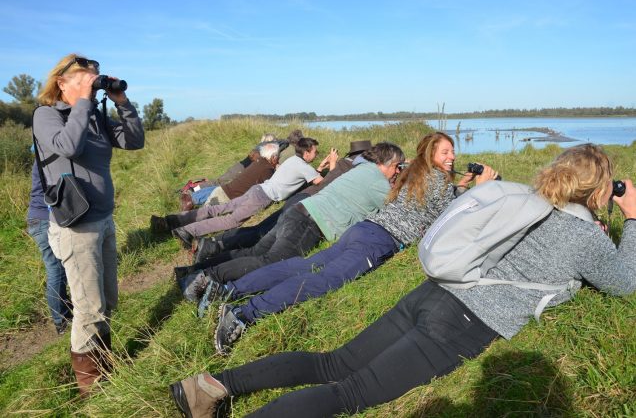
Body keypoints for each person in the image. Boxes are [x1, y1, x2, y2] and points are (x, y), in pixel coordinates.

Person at [170, 144, 635, 417]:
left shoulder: (521, 198)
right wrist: (631, 217)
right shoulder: (582, 237)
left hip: (433, 292)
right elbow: (623, 281)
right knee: (348, 393)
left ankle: (208, 387)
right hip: (465, 323)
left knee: (331, 365)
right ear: (598, 188)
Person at [206, 132, 496, 354]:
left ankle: (231, 291)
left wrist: (462, 183)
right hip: (379, 240)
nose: (452, 156)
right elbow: (455, 214)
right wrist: (481, 189)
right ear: (431, 153)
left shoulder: (416, 174)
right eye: (446, 151)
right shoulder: (437, 182)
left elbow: (439, 202)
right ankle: (244, 315)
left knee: (306, 265)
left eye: (453, 151)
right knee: (324, 280)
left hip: (363, 230)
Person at [33, 54, 144, 397]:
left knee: (107, 301)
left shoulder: (94, 114)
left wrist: (121, 102)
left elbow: (133, 141)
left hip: (104, 219)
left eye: (94, 77)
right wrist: (83, 101)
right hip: (75, 226)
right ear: (61, 83)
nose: (91, 82)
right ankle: (91, 387)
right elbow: (68, 145)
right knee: (89, 308)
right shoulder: (46, 115)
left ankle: (105, 360)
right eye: (83, 76)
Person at [191, 143, 406, 314]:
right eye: (397, 166)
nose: (398, 171)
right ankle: (212, 282)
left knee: (255, 252)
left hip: (300, 210)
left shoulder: (362, 169)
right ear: (385, 163)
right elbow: (399, 206)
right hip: (310, 223)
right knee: (273, 261)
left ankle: (200, 274)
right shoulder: (378, 182)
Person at [173, 140, 372, 279]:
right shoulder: (353, 170)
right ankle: (211, 250)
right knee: (261, 240)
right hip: (309, 203)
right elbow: (326, 182)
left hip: (296, 199)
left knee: (258, 233)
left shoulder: (295, 161)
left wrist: (325, 165)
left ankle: (207, 247)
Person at [159, 137, 326, 249]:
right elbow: (323, 183)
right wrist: (332, 165)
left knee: (218, 209)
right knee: (231, 220)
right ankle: (188, 231)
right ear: (307, 152)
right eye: (315, 152)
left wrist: (318, 169)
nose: (317, 154)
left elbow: (305, 176)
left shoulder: (293, 160)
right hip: (262, 196)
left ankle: (176, 220)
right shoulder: (302, 166)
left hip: (257, 190)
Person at [151, 142, 280, 230]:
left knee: (201, 214)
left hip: (222, 191)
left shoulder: (258, 162)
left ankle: (170, 222)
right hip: (225, 197)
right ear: (273, 157)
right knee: (201, 216)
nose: (278, 160)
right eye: (278, 157)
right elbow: (269, 191)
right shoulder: (267, 170)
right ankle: (167, 225)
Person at [26, 160, 71, 335]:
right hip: (44, 220)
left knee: (58, 268)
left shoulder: (41, 158)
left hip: (39, 219)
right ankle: (61, 321)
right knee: (56, 270)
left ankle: (64, 309)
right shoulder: (44, 160)